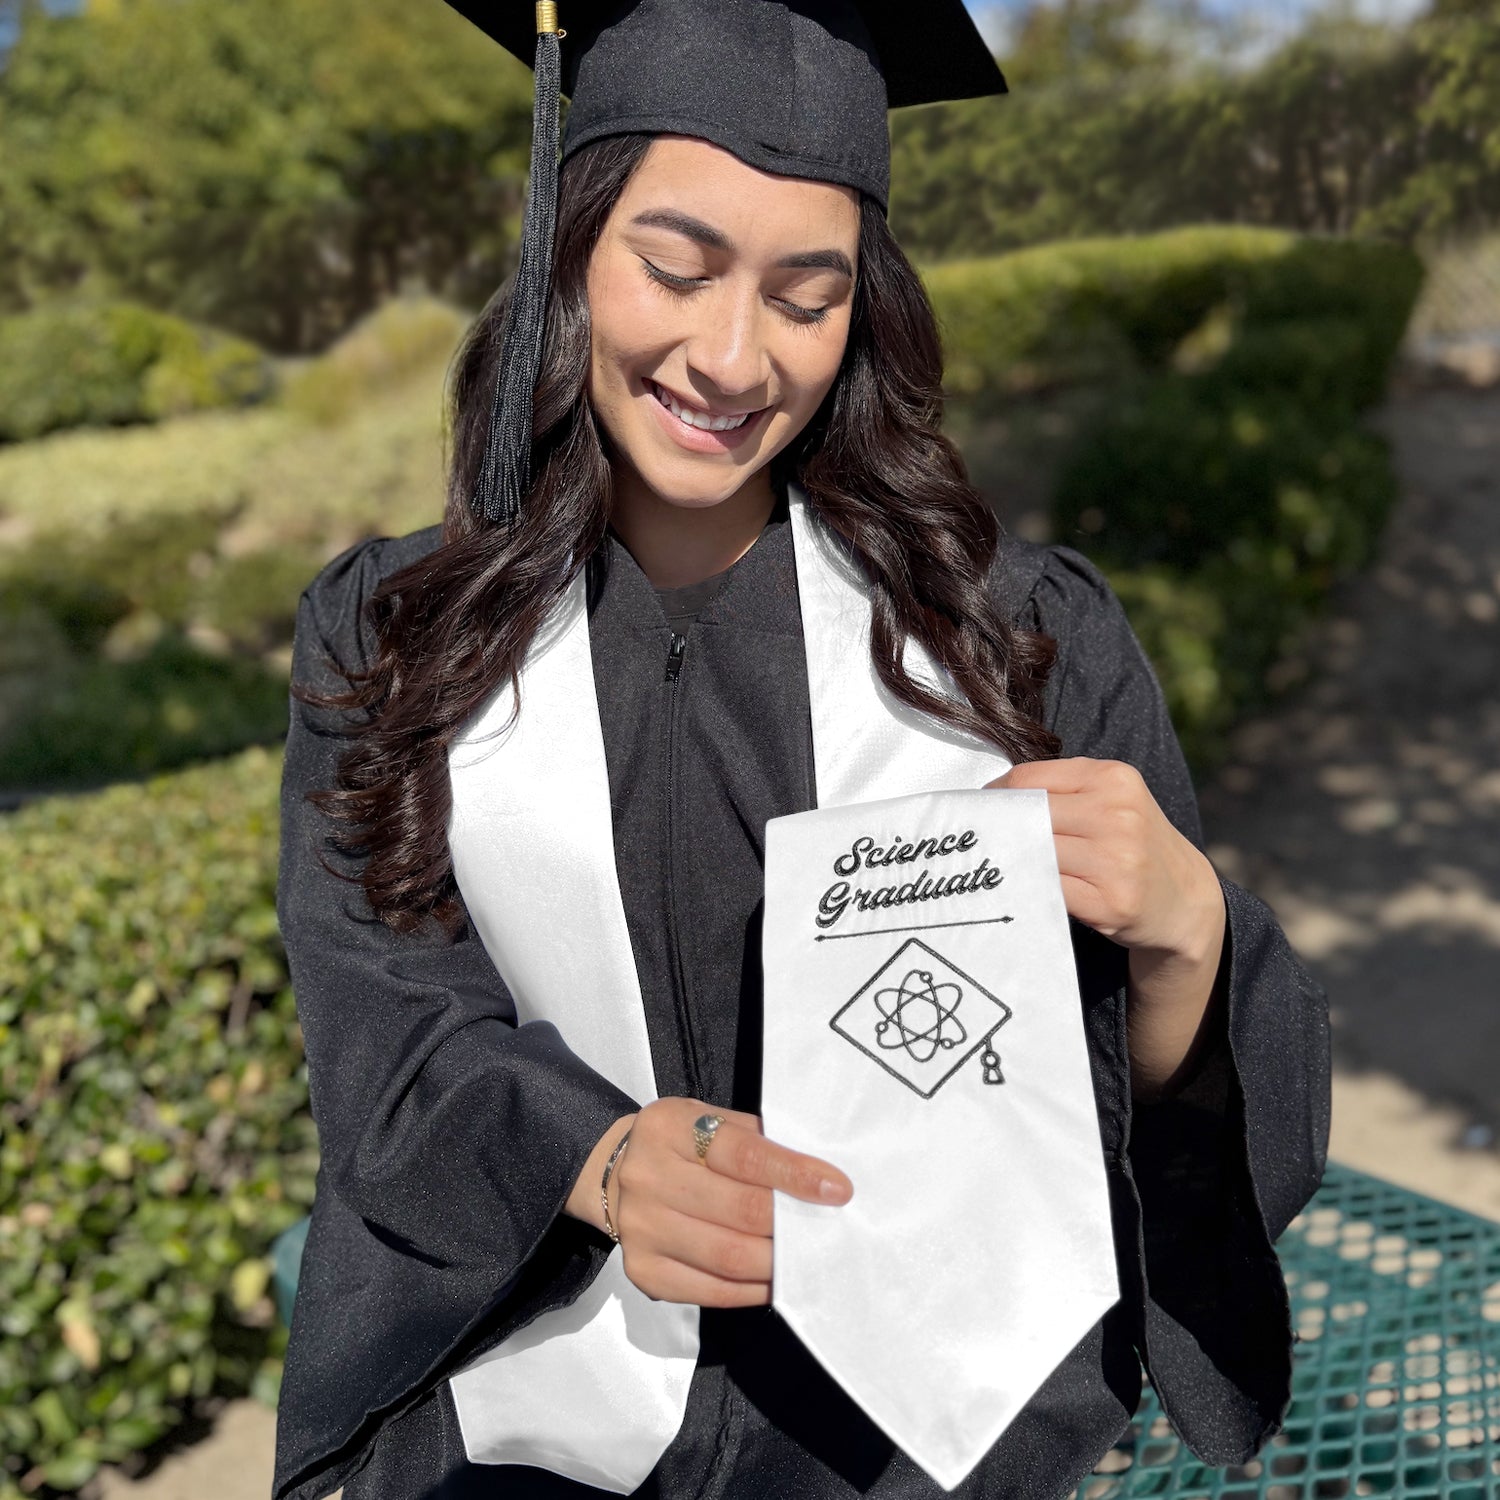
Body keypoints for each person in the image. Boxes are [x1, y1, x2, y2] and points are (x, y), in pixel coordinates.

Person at [270, 3, 1331, 1497]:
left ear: (864, 312)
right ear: (568, 249)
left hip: (918, 1443)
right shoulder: (394, 637)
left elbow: (1128, 1124)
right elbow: (389, 1024)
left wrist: (1188, 935)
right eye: (675, 266)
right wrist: (601, 1159)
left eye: (805, 295)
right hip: (527, 1399)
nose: (731, 355)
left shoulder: (1013, 641)